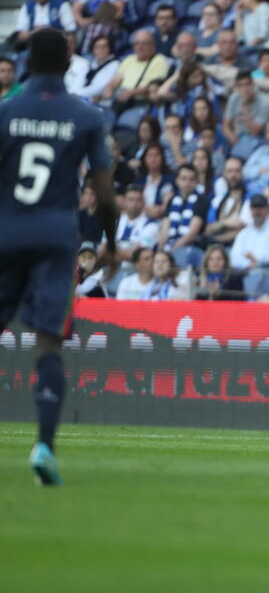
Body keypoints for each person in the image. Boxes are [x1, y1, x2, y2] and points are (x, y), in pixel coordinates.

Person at [0, 29, 116, 485]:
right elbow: (104, 194)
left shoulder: (5, 111)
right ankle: (44, 445)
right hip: (55, 238)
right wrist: (110, 239)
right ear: (68, 64)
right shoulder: (84, 116)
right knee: (48, 341)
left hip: (6, 233)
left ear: (27, 63)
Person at [229, 194, 269, 270]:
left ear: (267, 209)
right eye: (255, 207)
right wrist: (248, 263)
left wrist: (254, 259)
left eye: (261, 207)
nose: (257, 211)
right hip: (244, 272)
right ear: (250, 209)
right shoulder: (244, 232)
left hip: (268, 272)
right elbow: (234, 258)